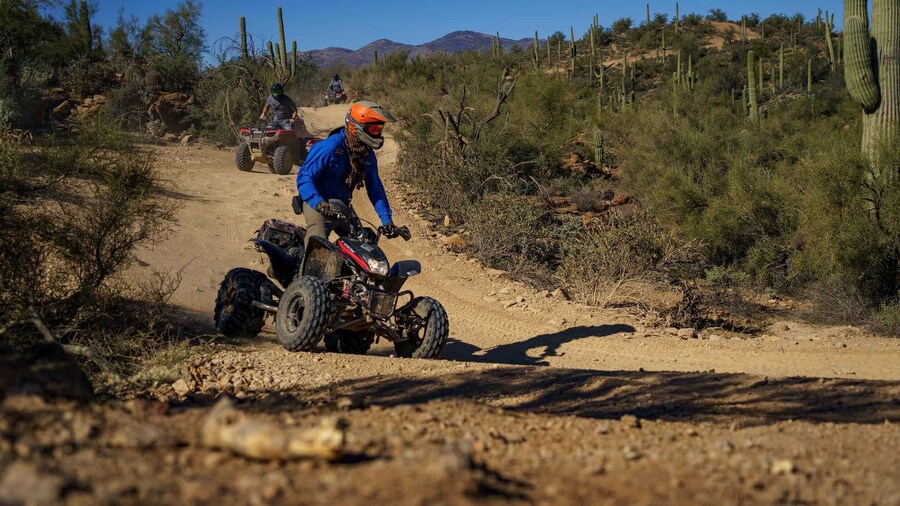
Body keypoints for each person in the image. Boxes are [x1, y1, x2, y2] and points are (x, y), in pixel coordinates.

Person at [296, 101, 399, 246]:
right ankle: (304, 268)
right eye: (374, 129)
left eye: (379, 129)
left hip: (342, 206)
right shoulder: (329, 147)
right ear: (355, 126)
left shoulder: (367, 155)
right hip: (318, 202)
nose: (378, 133)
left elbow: (375, 188)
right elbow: (304, 178)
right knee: (317, 245)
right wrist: (318, 203)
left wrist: (387, 221)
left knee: (364, 245)